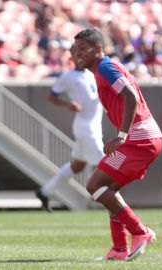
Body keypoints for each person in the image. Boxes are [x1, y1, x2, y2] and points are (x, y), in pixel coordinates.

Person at [73, 28, 162, 261]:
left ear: (98, 48)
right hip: (141, 138)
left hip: (138, 139)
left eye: (83, 49)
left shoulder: (105, 67)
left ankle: (141, 232)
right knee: (107, 190)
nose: (77, 54)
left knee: (95, 185)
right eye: (75, 50)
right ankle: (119, 248)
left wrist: (122, 135)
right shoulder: (102, 69)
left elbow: (130, 96)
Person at [36, 45, 104, 212]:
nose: (80, 56)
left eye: (82, 52)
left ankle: (45, 191)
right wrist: (67, 104)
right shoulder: (68, 76)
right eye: (76, 54)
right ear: (71, 57)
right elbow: (51, 96)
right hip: (85, 126)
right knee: (105, 164)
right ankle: (110, 200)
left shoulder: (92, 73)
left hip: (95, 124)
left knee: (78, 165)